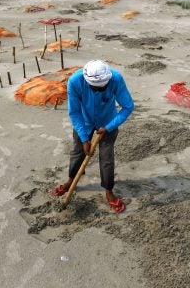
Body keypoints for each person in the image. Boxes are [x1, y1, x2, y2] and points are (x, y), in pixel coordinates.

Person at [51, 60, 134, 212]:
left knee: (106, 157)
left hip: (108, 121)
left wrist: (109, 127)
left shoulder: (115, 79)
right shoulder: (75, 81)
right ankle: (71, 180)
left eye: (102, 88)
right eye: (95, 88)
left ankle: (108, 190)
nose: (99, 90)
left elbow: (128, 106)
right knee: (77, 152)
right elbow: (74, 112)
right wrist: (84, 138)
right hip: (84, 121)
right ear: (88, 82)